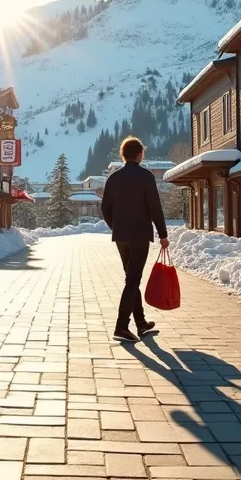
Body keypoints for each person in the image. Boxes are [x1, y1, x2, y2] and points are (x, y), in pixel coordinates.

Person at [100, 136, 168, 342]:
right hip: (139, 235)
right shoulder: (145, 176)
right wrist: (163, 234)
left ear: (123, 155)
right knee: (132, 280)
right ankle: (121, 326)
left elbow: (105, 208)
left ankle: (140, 323)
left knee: (131, 277)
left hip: (121, 236)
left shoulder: (113, 178)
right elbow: (155, 208)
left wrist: (116, 226)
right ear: (139, 155)